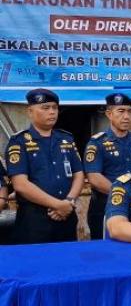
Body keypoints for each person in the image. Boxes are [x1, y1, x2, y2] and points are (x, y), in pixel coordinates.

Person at [5, 89, 84, 244]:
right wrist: (58, 205)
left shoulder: (66, 139)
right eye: (45, 108)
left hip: (67, 214)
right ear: (30, 111)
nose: (52, 112)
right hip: (35, 219)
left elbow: (79, 174)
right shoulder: (19, 142)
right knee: (35, 264)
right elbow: (20, 184)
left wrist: (68, 202)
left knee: (67, 262)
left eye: (55, 108)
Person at [84, 93, 131, 240]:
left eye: (129, 112)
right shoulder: (97, 143)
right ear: (109, 114)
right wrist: (124, 195)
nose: (126, 116)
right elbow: (94, 178)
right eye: (121, 111)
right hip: (105, 206)